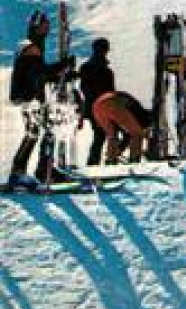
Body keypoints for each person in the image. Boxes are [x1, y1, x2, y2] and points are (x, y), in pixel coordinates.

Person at [6, 12, 74, 187]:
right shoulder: (31, 48)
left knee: (36, 132)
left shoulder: (29, 46)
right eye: (44, 25)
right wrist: (62, 66)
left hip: (28, 97)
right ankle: (35, 171)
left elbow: (39, 74)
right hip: (31, 98)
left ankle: (36, 169)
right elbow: (40, 74)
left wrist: (63, 72)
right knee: (40, 133)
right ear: (37, 26)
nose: (47, 28)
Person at [77, 38, 116, 166]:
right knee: (103, 134)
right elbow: (110, 92)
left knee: (100, 134)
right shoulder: (106, 71)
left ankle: (95, 162)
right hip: (103, 106)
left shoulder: (84, 67)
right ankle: (104, 160)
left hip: (89, 106)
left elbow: (83, 88)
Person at [91, 91, 149, 165]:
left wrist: (119, 151)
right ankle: (134, 160)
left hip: (97, 106)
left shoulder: (132, 115)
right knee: (137, 133)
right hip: (112, 102)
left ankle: (110, 160)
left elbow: (126, 136)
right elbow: (133, 134)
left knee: (112, 135)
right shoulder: (140, 115)